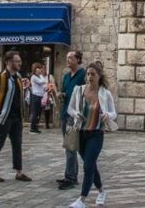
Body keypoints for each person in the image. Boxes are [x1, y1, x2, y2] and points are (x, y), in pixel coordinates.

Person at [66, 61, 117, 208]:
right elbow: (70, 109)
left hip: (96, 133)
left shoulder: (105, 93)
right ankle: (101, 192)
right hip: (81, 133)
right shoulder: (79, 90)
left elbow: (114, 113)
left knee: (88, 165)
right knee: (91, 166)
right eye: (88, 74)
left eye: (93, 74)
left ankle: (81, 200)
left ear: (99, 76)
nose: (89, 77)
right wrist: (76, 113)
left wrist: (108, 115)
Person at [0, 50, 32, 183]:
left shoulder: (17, 77)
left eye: (19, 61)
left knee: (17, 144)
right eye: (17, 61)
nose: (20, 63)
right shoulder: (1, 77)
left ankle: (19, 172)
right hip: (3, 116)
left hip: (16, 117)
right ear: (9, 62)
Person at [57, 50, 86, 190]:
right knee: (69, 147)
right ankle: (70, 175)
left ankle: (71, 178)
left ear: (78, 59)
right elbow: (65, 91)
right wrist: (61, 94)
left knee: (71, 146)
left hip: (74, 115)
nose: (67, 60)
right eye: (67, 58)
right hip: (65, 113)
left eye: (70, 58)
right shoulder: (66, 76)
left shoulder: (83, 75)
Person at [29, 62, 48, 134]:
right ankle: (32, 128)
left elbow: (44, 84)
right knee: (35, 113)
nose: (40, 70)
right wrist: (42, 75)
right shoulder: (33, 77)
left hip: (41, 96)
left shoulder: (39, 77)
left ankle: (36, 127)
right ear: (35, 69)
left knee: (39, 113)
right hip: (36, 96)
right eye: (38, 68)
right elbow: (42, 81)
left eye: (40, 68)